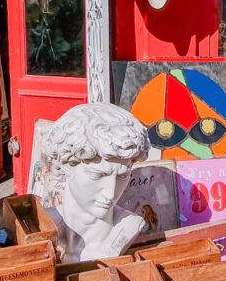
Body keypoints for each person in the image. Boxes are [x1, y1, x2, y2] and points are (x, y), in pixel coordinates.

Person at [43, 102, 150, 261]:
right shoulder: (42, 225)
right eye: (97, 175)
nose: (110, 193)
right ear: (66, 166)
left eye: (122, 176)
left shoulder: (129, 227)